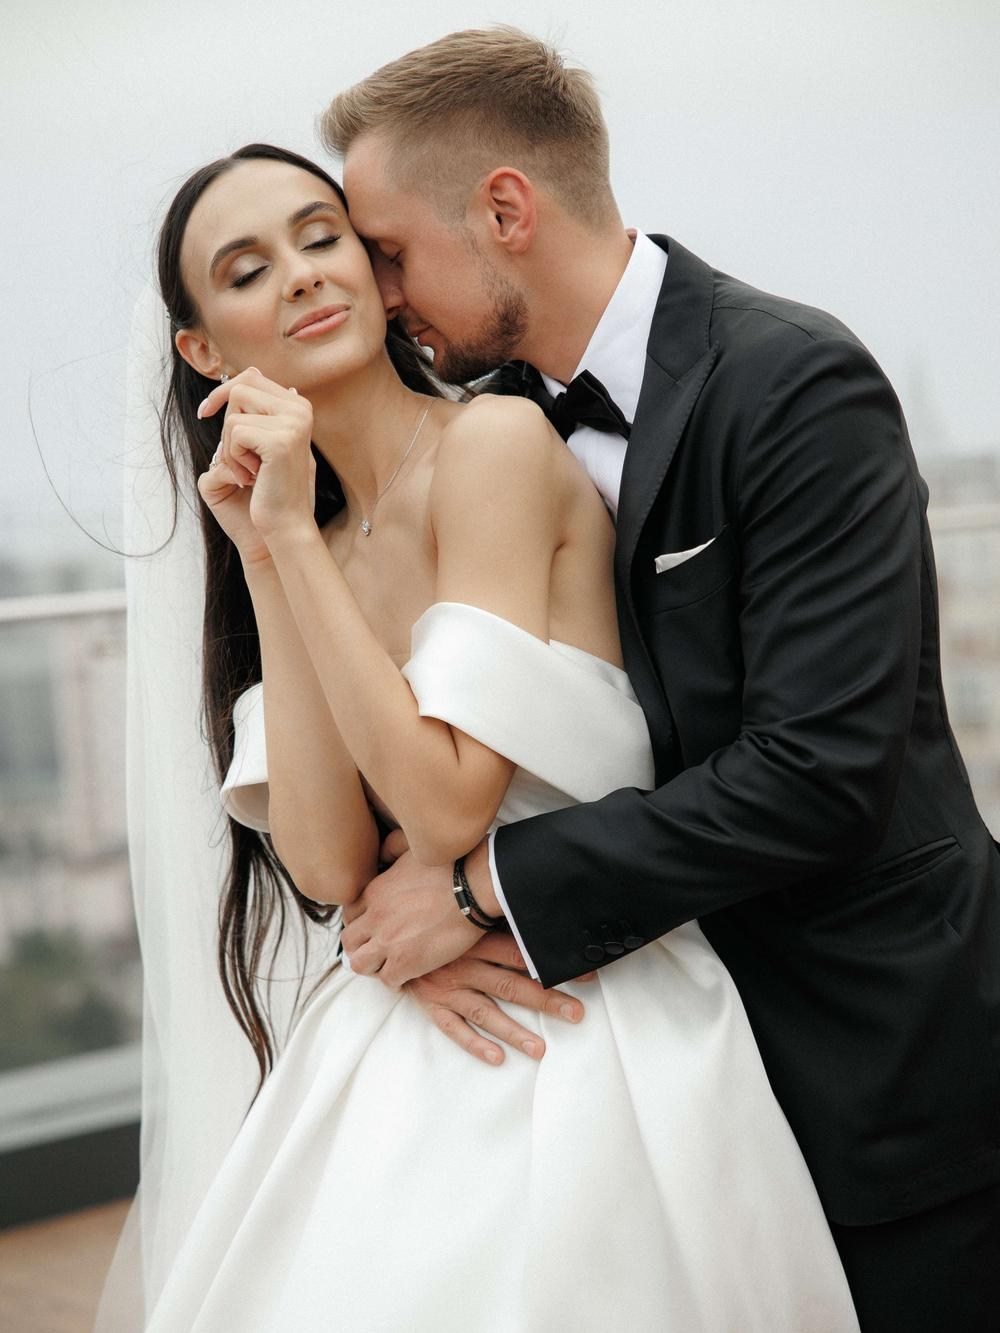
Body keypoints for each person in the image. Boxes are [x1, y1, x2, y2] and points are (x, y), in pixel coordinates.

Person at [103, 141, 863, 1331]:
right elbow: (325, 863)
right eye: (249, 270)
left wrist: (293, 546)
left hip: (588, 1002)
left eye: (322, 236)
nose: (302, 276)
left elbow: (453, 805)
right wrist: (269, 548)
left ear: (372, 262)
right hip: (414, 996)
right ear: (204, 351)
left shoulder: (494, 446)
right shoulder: (308, 527)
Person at [317, 27, 1000, 1333]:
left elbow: (821, 773)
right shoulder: (480, 436)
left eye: (392, 250)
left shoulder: (794, 382)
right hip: (645, 1073)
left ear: (504, 208)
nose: (379, 290)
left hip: (869, 1053)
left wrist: (482, 890)